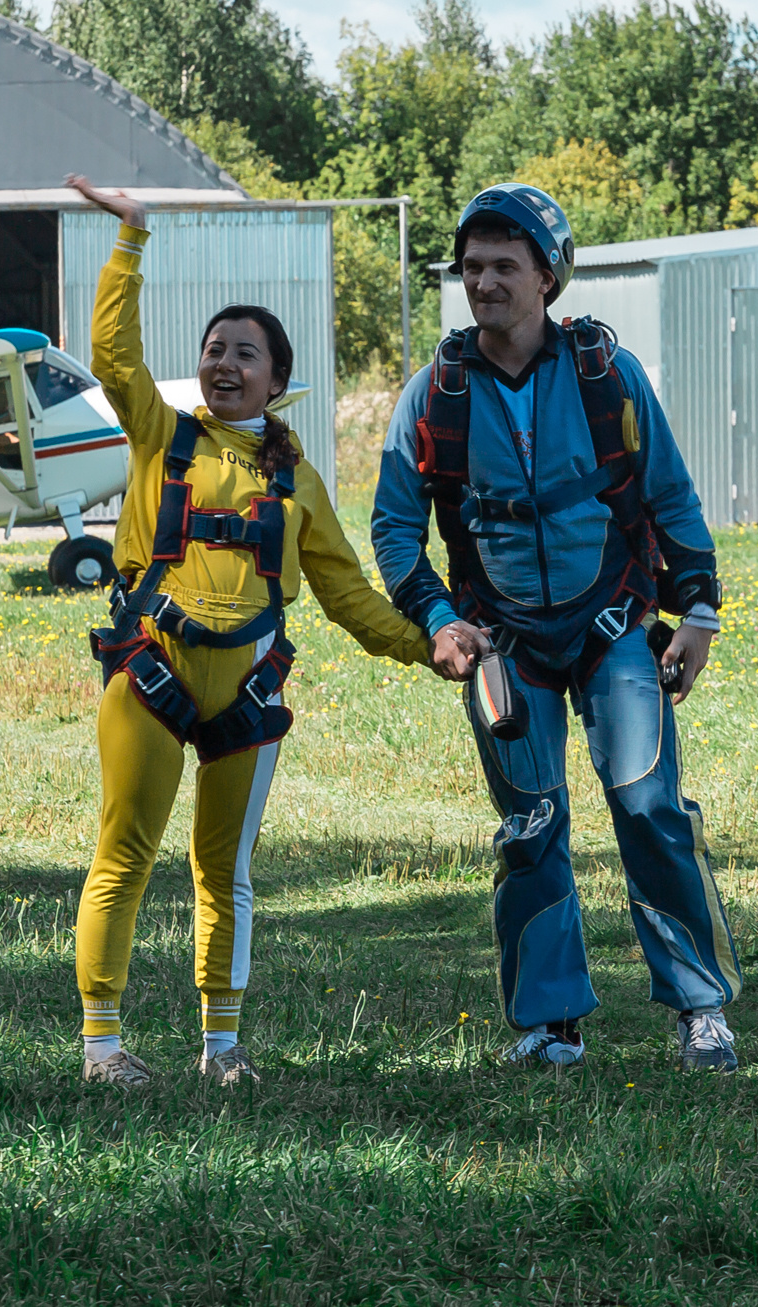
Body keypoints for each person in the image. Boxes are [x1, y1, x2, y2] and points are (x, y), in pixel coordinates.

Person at [63, 176, 445, 1089]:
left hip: (247, 691)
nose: (225, 364)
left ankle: (222, 1048)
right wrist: (131, 241)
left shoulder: (299, 483)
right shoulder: (163, 437)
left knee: (222, 870)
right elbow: (113, 357)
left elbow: (350, 595)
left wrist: (430, 643)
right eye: (214, 351)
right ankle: (102, 1047)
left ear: (278, 378)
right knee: (125, 853)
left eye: (245, 353)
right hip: (150, 673)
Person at [371, 183, 742, 1072]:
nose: (485, 282)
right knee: (531, 823)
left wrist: (695, 612)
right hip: (505, 645)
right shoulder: (434, 395)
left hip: (615, 624)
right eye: (472, 268)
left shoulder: (607, 376)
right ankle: (549, 1024)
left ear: (548, 274)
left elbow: (669, 492)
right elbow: (393, 526)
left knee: (650, 804)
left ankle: (699, 1009)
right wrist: (439, 619)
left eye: (505, 265)